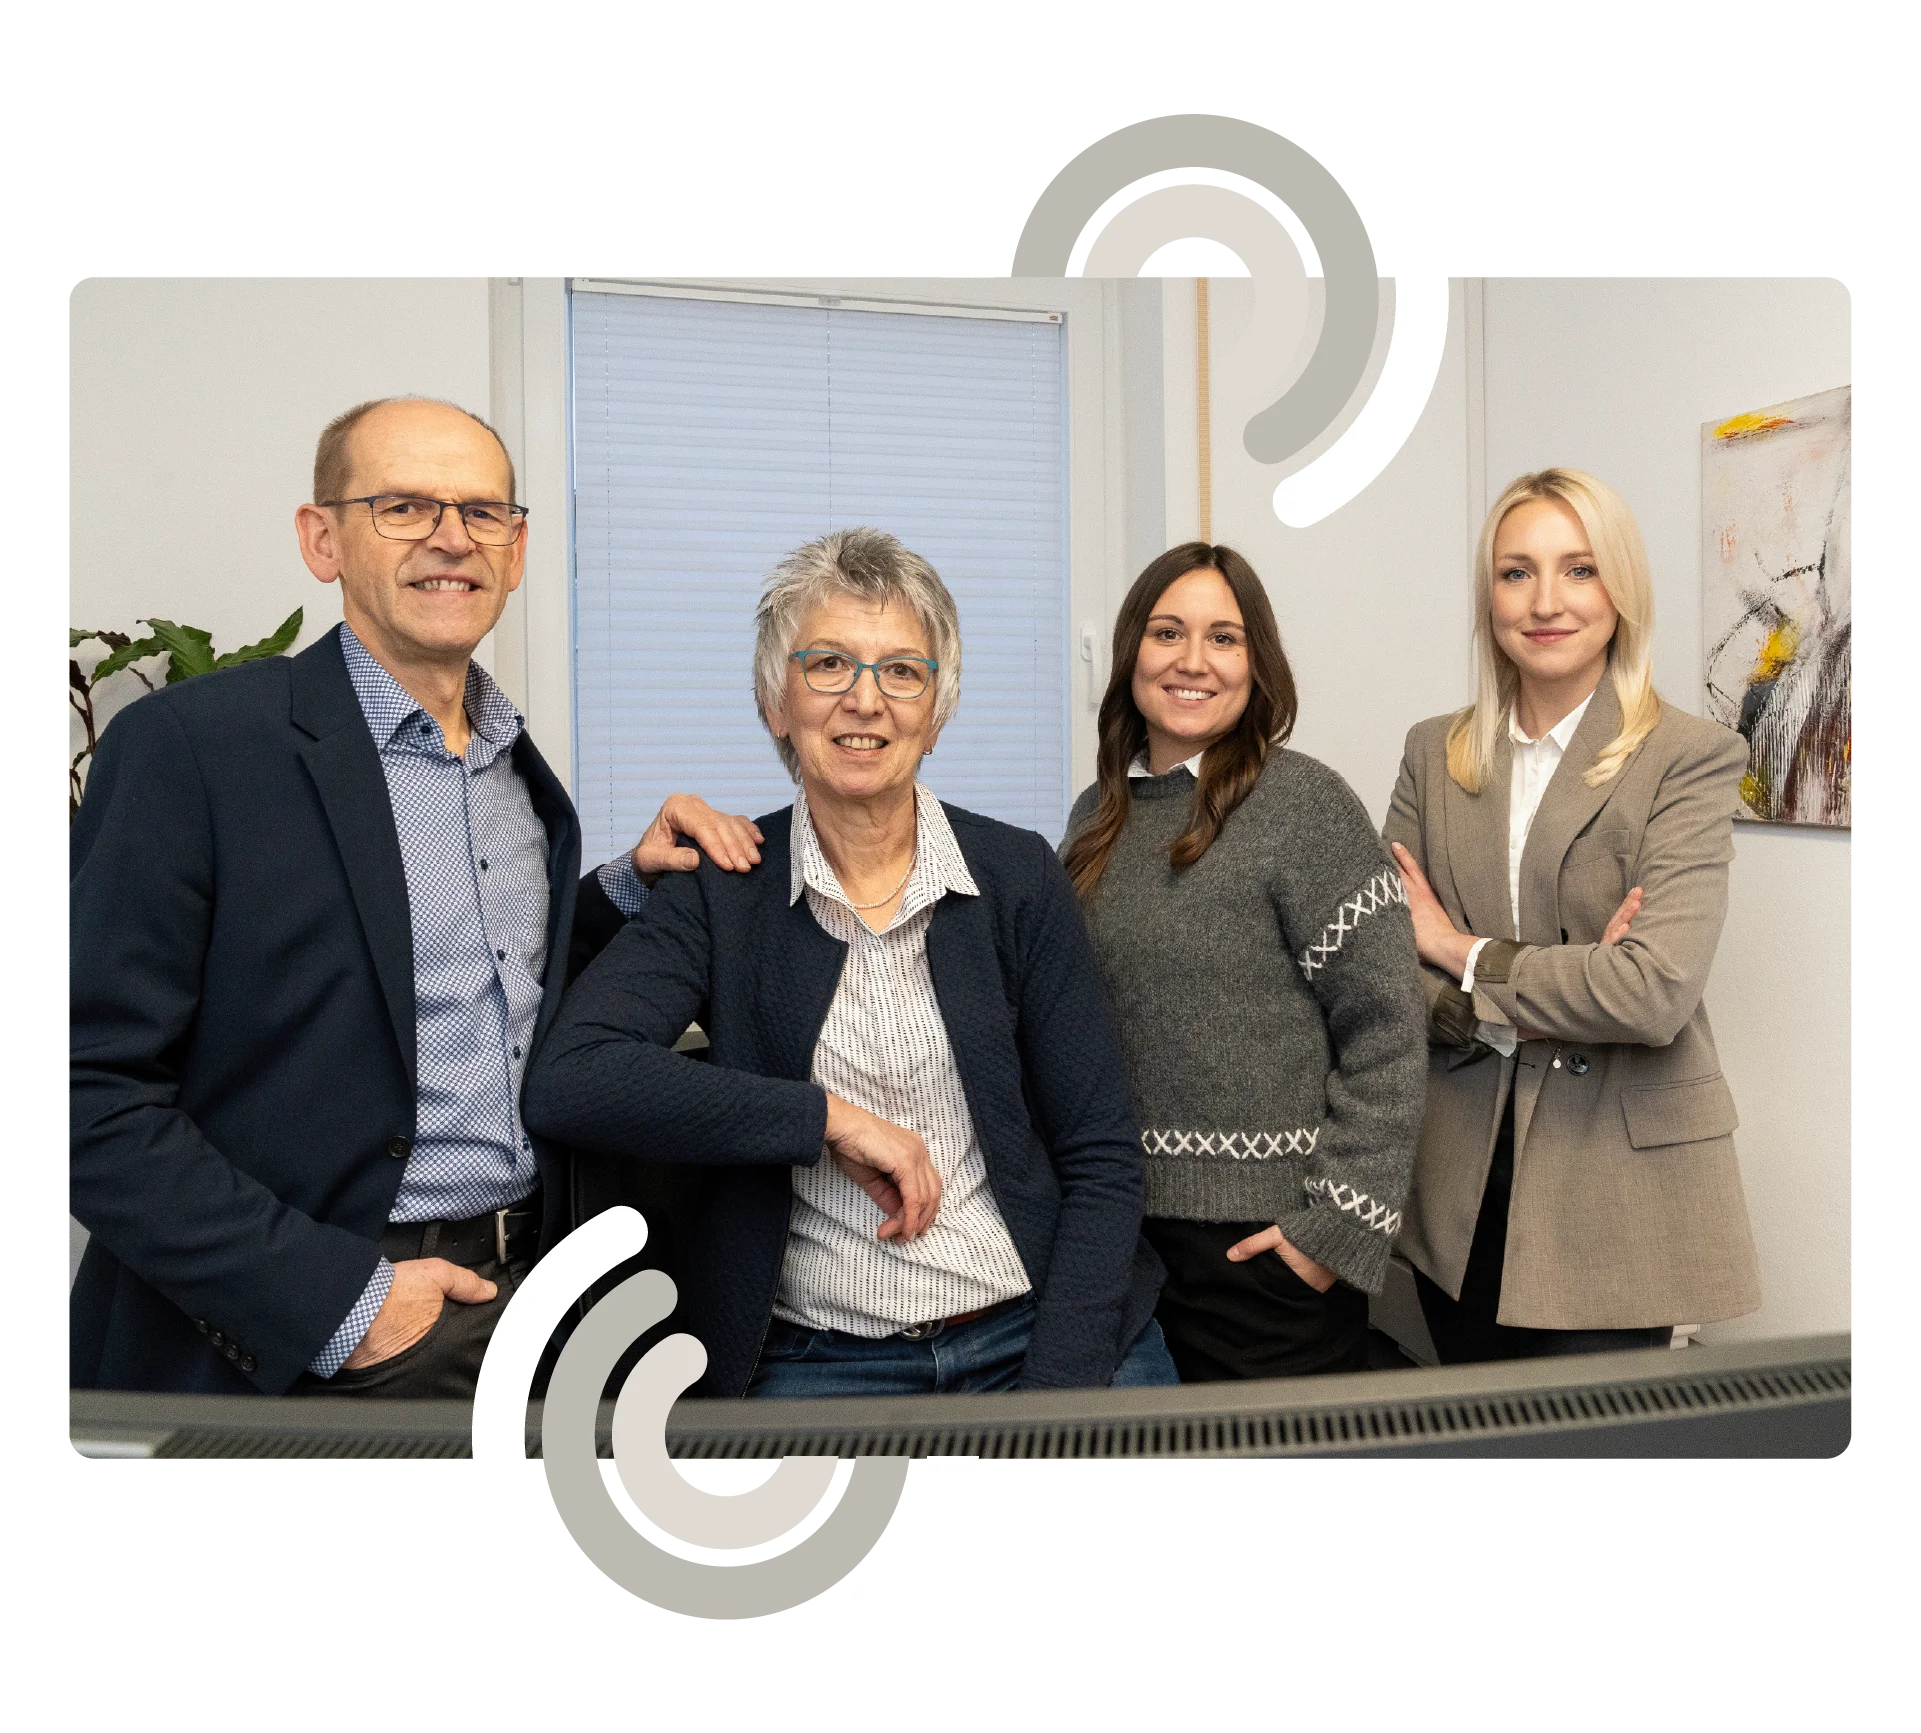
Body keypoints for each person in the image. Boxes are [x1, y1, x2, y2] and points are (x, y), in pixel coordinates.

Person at [66, 396, 759, 1397]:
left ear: (516, 550)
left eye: (482, 511)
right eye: (403, 506)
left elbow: (466, 985)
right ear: (323, 539)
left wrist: (622, 888)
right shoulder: (193, 748)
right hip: (320, 1330)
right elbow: (88, 1090)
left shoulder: (514, 771)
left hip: (532, 1299)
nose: (451, 537)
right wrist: (337, 1304)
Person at [525, 528, 1176, 1397]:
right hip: (823, 1357)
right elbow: (571, 1078)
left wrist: (1051, 1398)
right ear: (776, 703)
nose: (865, 700)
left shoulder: (1016, 874)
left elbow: (1101, 1155)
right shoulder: (724, 885)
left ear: (935, 713)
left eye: (901, 671)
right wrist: (826, 1117)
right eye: (828, 664)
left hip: (1035, 1324)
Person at [1385, 467, 1762, 1362]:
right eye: (1516, 572)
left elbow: (1650, 992)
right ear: (1488, 595)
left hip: (1617, 1188)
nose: (1545, 601)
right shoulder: (1434, 753)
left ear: (1620, 590)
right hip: (1461, 1184)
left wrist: (1457, 949)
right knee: (1471, 1427)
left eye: (1579, 569)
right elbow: (1378, 963)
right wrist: (1520, 995)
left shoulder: (1689, 755)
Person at [1059, 544, 1427, 1381]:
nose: (1192, 660)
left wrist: (1335, 1226)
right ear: (1129, 653)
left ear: (1256, 663)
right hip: (1119, 1241)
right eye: (1167, 633)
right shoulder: (1094, 817)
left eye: (1222, 638)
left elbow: (1388, 1030)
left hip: (1263, 1256)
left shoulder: (1304, 805)